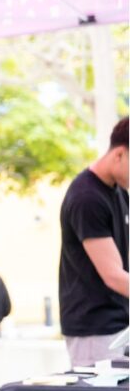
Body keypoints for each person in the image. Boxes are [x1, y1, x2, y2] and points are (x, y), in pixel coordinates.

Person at [59, 117, 129, 366]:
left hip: (118, 323)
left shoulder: (119, 191)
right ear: (120, 154)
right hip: (93, 329)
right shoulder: (86, 198)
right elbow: (113, 275)